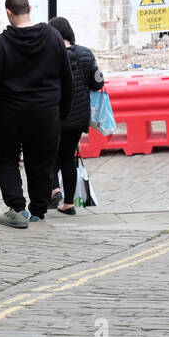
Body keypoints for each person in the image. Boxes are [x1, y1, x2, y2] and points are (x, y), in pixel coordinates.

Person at [0, 0, 71, 228]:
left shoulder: (2, 44)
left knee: (5, 159)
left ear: (8, 12)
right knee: (41, 161)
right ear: (29, 8)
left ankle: (17, 209)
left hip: (9, 115)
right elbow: (67, 80)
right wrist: (62, 115)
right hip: (46, 114)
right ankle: (38, 211)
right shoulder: (53, 37)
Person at [47, 16, 104, 215]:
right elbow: (98, 83)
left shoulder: (48, 55)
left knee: (49, 154)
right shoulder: (86, 54)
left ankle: (54, 189)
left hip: (54, 115)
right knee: (67, 157)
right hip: (78, 117)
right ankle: (68, 204)